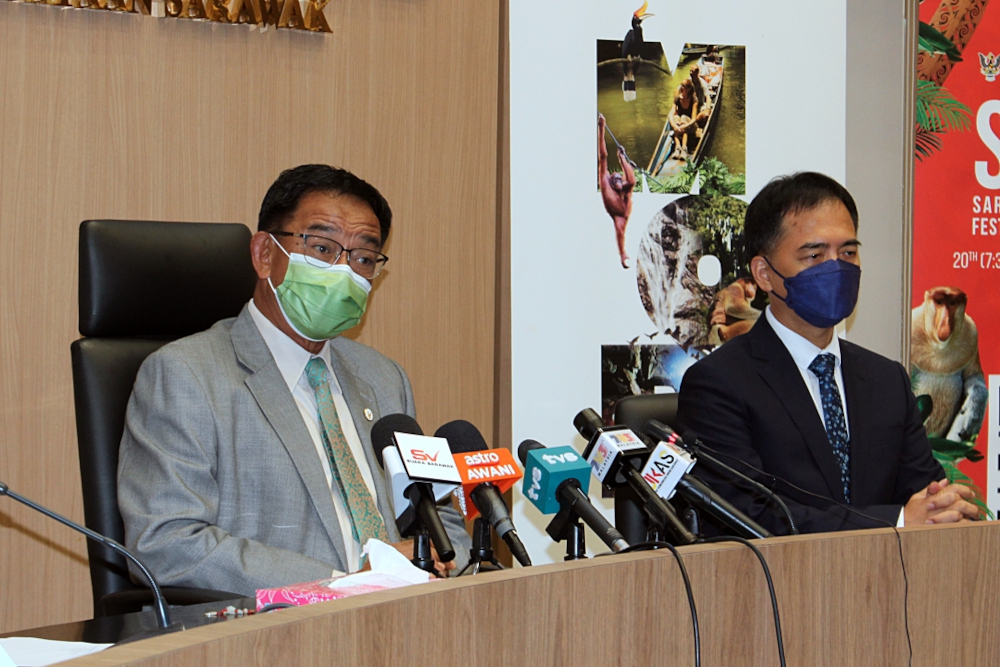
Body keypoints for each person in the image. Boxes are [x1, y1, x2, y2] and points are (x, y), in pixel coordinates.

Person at [118, 164, 471, 595]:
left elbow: (439, 512)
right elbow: (166, 543)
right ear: (265, 254)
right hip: (276, 636)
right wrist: (340, 586)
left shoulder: (383, 378)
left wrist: (439, 557)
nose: (344, 272)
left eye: (362, 258)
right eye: (322, 248)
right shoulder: (185, 375)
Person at [677, 172, 978, 535]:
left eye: (848, 252)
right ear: (764, 273)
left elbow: (925, 494)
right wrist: (897, 520)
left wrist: (941, 510)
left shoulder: (886, 379)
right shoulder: (719, 383)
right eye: (815, 255)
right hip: (776, 588)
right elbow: (748, 516)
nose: (837, 268)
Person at [598, 113, 637, 269]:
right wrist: (601, 128)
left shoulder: (621, 186)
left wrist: (622, 159)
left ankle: (623, 160)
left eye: (620, 180)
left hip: (624, 209)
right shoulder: (605, 182)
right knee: (620, 231)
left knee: (631, 184)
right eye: (617, 181)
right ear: (612, 183)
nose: (619, 183)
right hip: (617, 214)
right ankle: (622, 254)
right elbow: (603, 156)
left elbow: (632, 181)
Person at [668, 79, 702, 160]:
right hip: (679, 125)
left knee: (683, 117)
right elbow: (670, 114)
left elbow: (694, 119)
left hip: (691, 125)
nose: (681, 87)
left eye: (683, 86)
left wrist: (684, 126)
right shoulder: (677, 98)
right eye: (681, 85)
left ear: (688, 89)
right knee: (675, 118)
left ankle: (684, 149)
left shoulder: (694, 99)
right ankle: (678, 147)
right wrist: (674, 125)